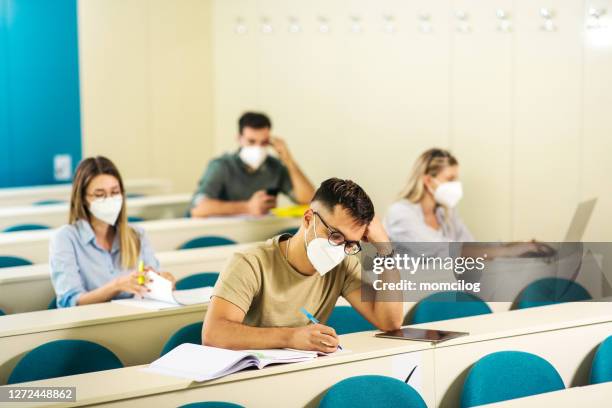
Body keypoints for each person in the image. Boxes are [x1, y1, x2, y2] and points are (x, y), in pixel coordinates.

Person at [203, 178, 403, 352]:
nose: (340, 249)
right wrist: (291, 337)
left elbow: (389, 321)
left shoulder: (343, 265)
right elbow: (214, 334)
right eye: (335, 236)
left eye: (350, 243)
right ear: (308, 219)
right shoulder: (250, 262)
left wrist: (385, 248)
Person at [50, 156, 175, 308]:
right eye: (99, 194)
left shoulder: (137, 235)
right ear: (82, 198)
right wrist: (116, 286)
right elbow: (69, 302)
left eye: (115, 192)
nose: (109, 199)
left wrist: (163, 282)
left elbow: (151, 285)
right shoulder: (66, 238)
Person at [385, 148, 551, 258]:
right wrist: (507, 251)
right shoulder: (400, 213)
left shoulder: (446, 213)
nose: (456, 185)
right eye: (450, 179)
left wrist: (520, 245)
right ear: (428, 181)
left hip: (444, 288)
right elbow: (444, 251)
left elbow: (472, 248)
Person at [190, 112, 315, 217]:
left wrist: (288, 160)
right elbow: (198, 209)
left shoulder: (274, 167)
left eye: (264, 142)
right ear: (239, 138)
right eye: (251, 141)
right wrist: (247, 207)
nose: (258, 148)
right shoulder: (221, 166)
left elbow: (309, 200)